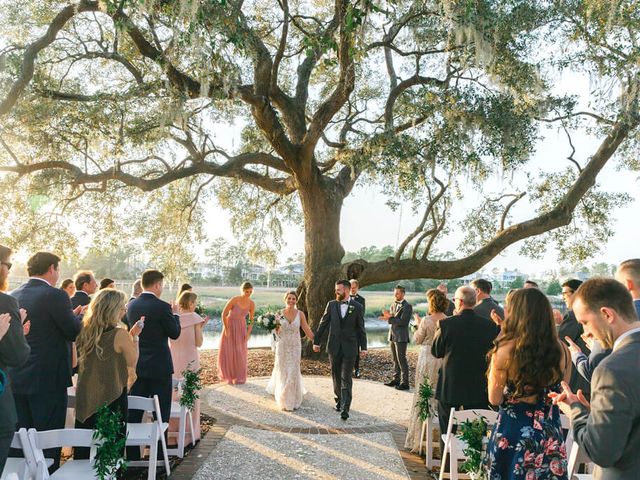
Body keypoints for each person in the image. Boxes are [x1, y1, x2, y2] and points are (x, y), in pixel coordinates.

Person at [551, 278, 640, 479]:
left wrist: (577, 412)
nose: (585, 333)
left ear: (607, 314)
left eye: (585, 322)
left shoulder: (611, 370)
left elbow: (601, 451)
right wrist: (597, 415)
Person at [485, 288, 571, 479]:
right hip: (549, 435)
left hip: (513, 433)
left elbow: (494, 398)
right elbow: (562, 394)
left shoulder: (505, 350)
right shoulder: (563, 350)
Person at [9, 252, 82, 469]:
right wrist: (77, 317)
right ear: (51, 268)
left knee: (20, 440)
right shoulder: (56, 295)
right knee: (48, 440)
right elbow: (72, 331)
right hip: (48, 379)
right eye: (58, 269)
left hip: (18, 377)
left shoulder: (14, 294)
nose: (58, 274)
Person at [74, 289, 140, 459]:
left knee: (84, 446)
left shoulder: (83, 331)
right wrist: (135, 338)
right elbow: (132, 361)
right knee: (111, 451)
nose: (124, 311)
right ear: (113, 310)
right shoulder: (120, 334)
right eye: (122, 308)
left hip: (86, 394)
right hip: (112, 395)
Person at [432, 286, 499, 449]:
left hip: (450, 385)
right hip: (478, 385)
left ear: (460, 302)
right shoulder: (489, 326)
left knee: (447, 428)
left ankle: (447, 467)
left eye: (454, 300)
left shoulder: (446, 324)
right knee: (478, 428)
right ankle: (475, 466)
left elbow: (436, 351)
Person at [126, 269, 180, 460]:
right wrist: (176, 315)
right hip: (159, 366)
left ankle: (131, 456)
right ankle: (158, 456)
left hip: (138, 365)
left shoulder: (131, 305)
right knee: (160, 412)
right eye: (162, 285)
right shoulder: (163, 307)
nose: (162, 288)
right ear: (157, 285)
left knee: (134, 411)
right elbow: (174, 333)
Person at [313, 280, 367, 420]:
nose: (336, 292)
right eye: (336, 289)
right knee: (336, 375)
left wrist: (364, 347)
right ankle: (339, 399)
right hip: (334, 346)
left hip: (350, 348)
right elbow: (323, 323)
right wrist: (316, 341)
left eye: (339, 290)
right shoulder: (331, 305)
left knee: (346, 377)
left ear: (348, 290)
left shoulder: (358, 307)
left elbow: (361, 329)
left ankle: (345, 407)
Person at [0, 245, 30, 472]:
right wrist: (17, 332)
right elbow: (18, 356)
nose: (9, 270)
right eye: (8, 265)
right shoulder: (5, 303)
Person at [404, 289, 446, 452]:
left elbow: (417, 339)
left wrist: (416, 325)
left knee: (423, 393)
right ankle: (437, 437)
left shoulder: (427, 320)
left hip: (427, 358)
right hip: (442, 359)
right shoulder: (448, 319)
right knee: (437, 394)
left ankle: (421, 438)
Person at [169, 291, 210, 444]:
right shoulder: (195, 318)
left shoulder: (174, 317)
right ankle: (189, 435)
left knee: (173, 394)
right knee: (190, 393)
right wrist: (200, 327)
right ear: (191, 303)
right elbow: (198, 342)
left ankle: (172, 433)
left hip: (173, 359)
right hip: (190, 360)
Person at [266, 291, 315, 411]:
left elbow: (306, 329)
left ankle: (292, 398)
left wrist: (316, 340)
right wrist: (270, 326)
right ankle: (282, 396)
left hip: (295, 346)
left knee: (293, 370)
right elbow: (276, 331)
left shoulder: (300, 314)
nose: (291, 301)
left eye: (293, 299)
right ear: (285, 299)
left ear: (296, 300)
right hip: (282, 346)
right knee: (283, 370)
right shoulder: (279, 314)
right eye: (289, 298)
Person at [217, 281, 255, 385]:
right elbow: (224, 314)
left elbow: (251, 320)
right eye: (247, 291)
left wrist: (248, 333)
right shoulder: (234, 300)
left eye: (250, 292)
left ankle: (239, 377)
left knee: (240, 352)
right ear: (242, 290)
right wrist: (226, 328)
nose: (248, 294)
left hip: (241, 327)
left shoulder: (251, 304)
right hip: (230, 325)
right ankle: (228, 376)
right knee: (228, 351)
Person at [559, 279, 591, 396]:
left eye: (565, 293)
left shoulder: (573, 315)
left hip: (577, 378)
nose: (563, 297)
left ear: (577, 293)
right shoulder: (590, 311)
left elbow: (559, 341)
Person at [380, 285, 412, 390]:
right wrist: (387, 318)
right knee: (395, 359)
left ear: (403, 294)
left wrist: (389, 318)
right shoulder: (393, 304)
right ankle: (396, 379)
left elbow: (403, 322)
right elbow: (393, 319)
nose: (395, 295)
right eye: (394, 293)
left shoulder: (407, 306)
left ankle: (405, 383)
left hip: (401, 337)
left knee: (402, 359)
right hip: (392, 335)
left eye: (397, 293)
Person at [349, 279, 366, 378]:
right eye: (351, 287)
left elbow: (361, 316)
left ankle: (357, 369)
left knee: (356, 351)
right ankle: (348, 369)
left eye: (354, 288)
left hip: (356, 329)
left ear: (357, 288)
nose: (352, 289)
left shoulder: (362, 300)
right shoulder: (344, 298)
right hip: (346, 330)